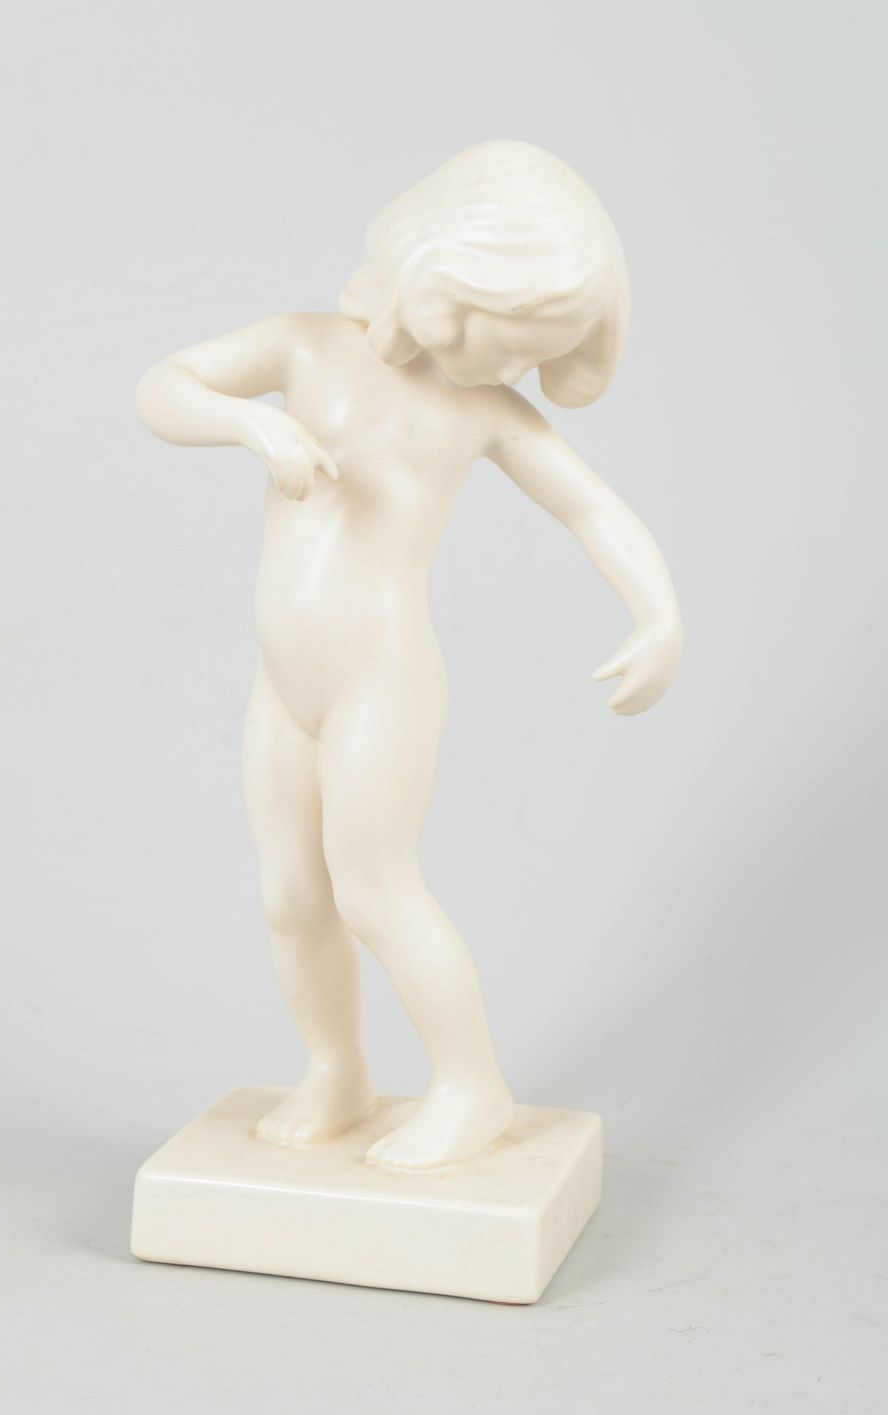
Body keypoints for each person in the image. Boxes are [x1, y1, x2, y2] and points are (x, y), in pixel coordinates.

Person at [136, 141, 682, 1170]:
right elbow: (164, 386)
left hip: (379, 681)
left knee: (373, 889)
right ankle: (335, 1069)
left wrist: (659, 614)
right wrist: (245, 425)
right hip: (282, 682)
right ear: (434, 275)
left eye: (525, 356)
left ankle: (473, 1084)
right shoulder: (305, 347)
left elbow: (592, 509)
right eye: (490, 338)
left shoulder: (485, 410)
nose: (505, 369)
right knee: (290, 893)